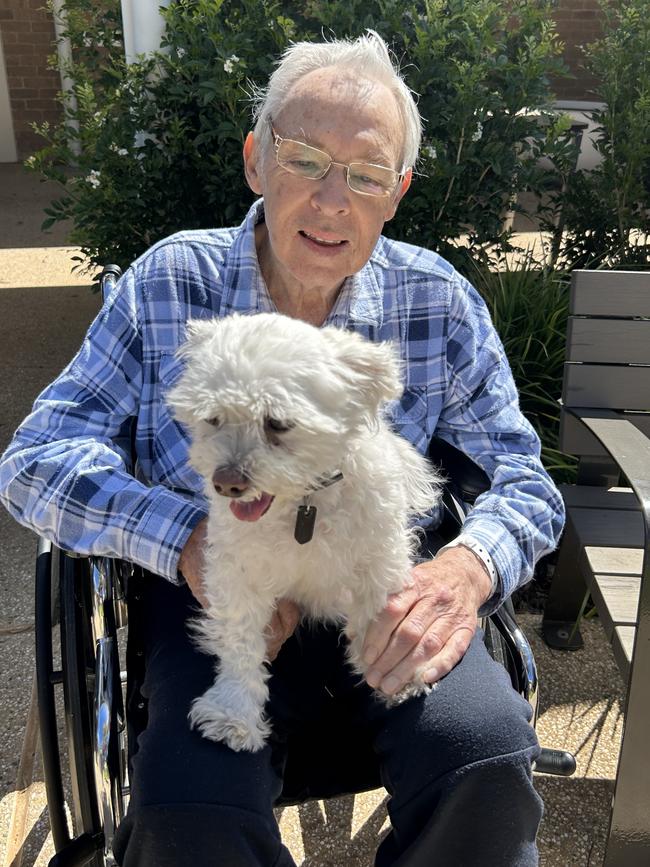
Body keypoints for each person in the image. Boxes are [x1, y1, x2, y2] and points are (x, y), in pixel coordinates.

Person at [0, 32, 564, 866]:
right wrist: (183, 539)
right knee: (189, 802)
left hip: (380, 584)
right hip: (221, 592)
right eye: (305, 159)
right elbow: (36, 457)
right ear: (256, 161)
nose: (333, 202)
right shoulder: (170, 283)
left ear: (397, 193)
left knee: (482, 753)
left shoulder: (436, 302)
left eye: (366, 175)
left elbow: (526, 480)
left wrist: (464, 571)